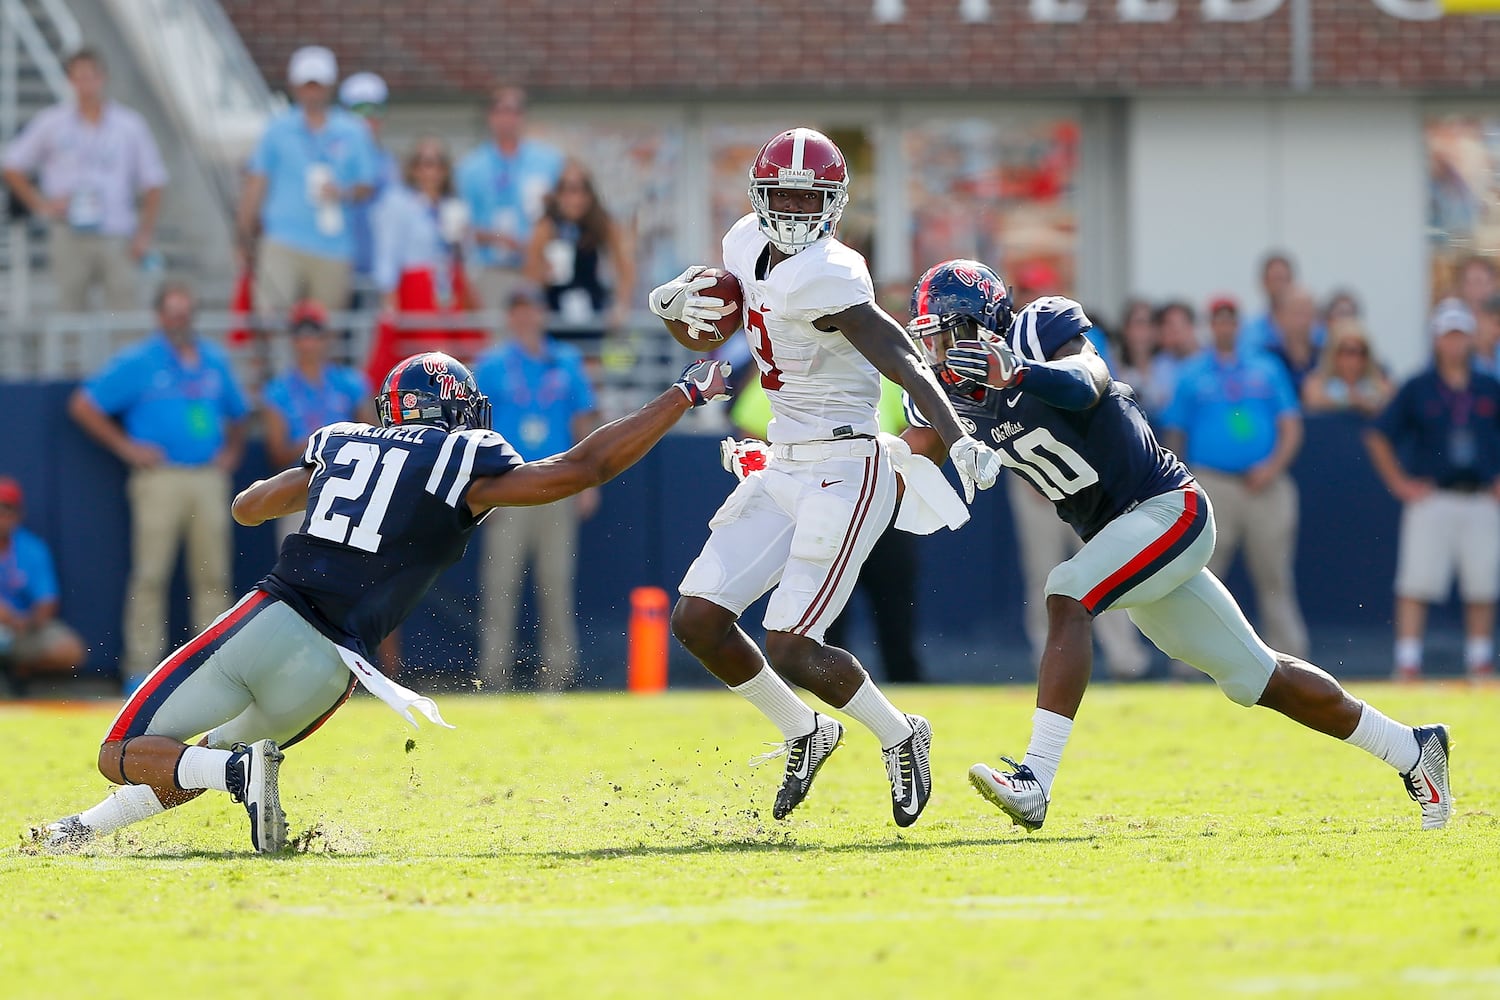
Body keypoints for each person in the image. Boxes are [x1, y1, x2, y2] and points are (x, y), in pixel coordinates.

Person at [31, 351, 734, 853]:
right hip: (337, 670)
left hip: (274, 621)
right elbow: (585, 468)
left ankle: (236, 774)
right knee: (193, 759)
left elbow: (248, 508)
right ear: (451, 412)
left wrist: (319, 471)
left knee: (125, 748)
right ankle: (81, 830)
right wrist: (682, 395)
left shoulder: (339, 438)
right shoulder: (465, 458)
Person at [896, 265, 1451, 833]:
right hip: (1118, 540)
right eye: (928, 339)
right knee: (1256, 678)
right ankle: (1414, 750)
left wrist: (1018, 372)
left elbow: (1089, 379)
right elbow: (910, 455)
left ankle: (1036, 779)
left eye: (943, 335)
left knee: (1065, 590)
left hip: (1167, 509)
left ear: (979, 323)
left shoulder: (1038, 328)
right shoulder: (948, 396)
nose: (936, 352)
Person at [652, 128, 1003, 828]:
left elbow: (903, 357)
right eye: (779, 194)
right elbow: (717, 314)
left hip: (848, 465)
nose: (790, 210)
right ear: (757, 196)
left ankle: (903, 734)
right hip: (784, 458)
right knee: (697, 618)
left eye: (807, 199)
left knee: (790, 644)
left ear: (835, 205)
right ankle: (804, 730)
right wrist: (671, 307)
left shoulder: (834, 271)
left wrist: (958, 436)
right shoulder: (740, 244)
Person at [68, 281, 248, 691]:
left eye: (186, 313)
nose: (180, 321)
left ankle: (213, 669)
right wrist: (126, 447)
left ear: (192, 317)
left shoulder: (212, 360)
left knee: (213, 575)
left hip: (206, 476)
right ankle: (140, 670)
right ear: (160, 317)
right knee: (151, 575)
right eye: (173, 313)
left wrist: (232, 453)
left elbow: (239, 412)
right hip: (160, 478)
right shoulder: (141, 360)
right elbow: (84, 403)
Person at [1160, 296, 1310, 658]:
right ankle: (1195, 657)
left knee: (1274, 574)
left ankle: (1291, 658)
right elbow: (1174, 432)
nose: (1225, 327)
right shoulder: (1193, 372)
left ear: (1239, 325)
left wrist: (1272, 467)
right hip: (1214, 483)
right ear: (1211, 326)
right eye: (1218, 320)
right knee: (1203, 572)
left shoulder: (1267, 367)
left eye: (1231, 320)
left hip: (1266, 482)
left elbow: (1291, 425)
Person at [1364, 299, 1500, 681]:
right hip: (1433, 497)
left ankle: (1480, 661)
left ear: (1469, 339)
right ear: (1437, 339)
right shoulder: (1418, 386)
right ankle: (1407, 663)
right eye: (1448, 335)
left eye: (1460, 335)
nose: (1454, 343)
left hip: (1479, 496)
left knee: (1482, 583)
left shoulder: (1488, 384)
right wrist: (1399, 482)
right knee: (1416, 582)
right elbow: (1378, 434)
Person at [473, 286, 599, 691]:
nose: (527, 319)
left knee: (556, 583)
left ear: (542, 315)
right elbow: (475, 427)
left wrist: (588, 482)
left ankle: (559, 675)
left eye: (532, 310)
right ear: (511, 317)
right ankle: (494, 675)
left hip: (557, 484)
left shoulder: (566, 361)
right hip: (508, 486)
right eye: (520, 311)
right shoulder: (491, 366)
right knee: (499, 584)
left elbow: (583, 420)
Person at [0, 48, 166, 313]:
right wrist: (41, 204)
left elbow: (154, 181)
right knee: (70, 311)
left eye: (91, 77)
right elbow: (12, 164)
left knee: (124, 309)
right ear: (70, 81)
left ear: (103, 78)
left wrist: (144, 234)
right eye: (79, 78)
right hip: (69, 230)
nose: (86, 84)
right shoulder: (52, 122)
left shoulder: (129, 124)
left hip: (116, 229)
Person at [236, 45, 379, 321]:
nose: (312, 92)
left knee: (325, 328)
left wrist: (343, 192)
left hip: (333, 246)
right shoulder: (277, 129)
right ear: (295, 86)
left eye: (318, 85)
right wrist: (243, 237)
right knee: (271, 319)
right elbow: (256, 183)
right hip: (282, 239)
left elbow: (366, 184)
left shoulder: (352, 131)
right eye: (306, 85)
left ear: (329, 87)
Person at [365, 137, 483, 386]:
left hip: (450, 285)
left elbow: (468, 256)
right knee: (431, 356)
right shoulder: (398, 203)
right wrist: (389, 296)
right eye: (424, 163)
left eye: (437, 163)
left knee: (464, 356)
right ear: (414, 168)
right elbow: (388, 253)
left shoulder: (454, 206)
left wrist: (460, 241)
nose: (431, 170)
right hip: (416, 285)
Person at [260, 300, 375, 544]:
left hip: (347, 490)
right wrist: (318, 445)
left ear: (327, 338)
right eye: (302, 334)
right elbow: (277, 454)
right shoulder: (278, 390)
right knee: (295, 567)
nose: (308, 343)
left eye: (315, 334)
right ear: (293, 340)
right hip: (300, 488)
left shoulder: (351, 383)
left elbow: (373, 439)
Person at [456, 86, 564, 318]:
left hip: (537, 267)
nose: (507, 119)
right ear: (490, 116)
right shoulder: (470, 168)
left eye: (514, 111)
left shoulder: (549, 161)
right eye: (501, 111)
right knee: (497, 336)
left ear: (523, 117)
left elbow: (565, 214)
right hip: (493, 268)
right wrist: (499, 238)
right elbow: (460, 226)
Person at [525, 160, 635, 350]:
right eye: (567, 190)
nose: (573, 199)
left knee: (592, 368)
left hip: (592, 310)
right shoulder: (546, 226)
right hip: (555, 313)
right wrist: (544, 274)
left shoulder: (602, 224)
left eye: (580, 190)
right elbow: (530, 276)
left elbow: (625, 268)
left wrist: (620, 307)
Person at [0, 477, 87, 695]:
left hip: (20, 629)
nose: (1, 516)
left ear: (18, 513)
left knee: (70, 650)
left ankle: (17, 672)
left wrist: (27, 623)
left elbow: (47, 601)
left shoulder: (31, 548)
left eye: (7, 509)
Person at [338, 71, 398, 307]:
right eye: (359, 110)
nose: (368, 119)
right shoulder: (331, 159)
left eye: (376, 110)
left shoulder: (390, 164)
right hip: (339, 267)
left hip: (378, 274)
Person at [1301, 319, 1393, 417]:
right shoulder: (1316, 383)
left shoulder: (1379, 384)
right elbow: (1313, 401)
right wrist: (1353, 402)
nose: (1356, 359)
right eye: (1349, 352)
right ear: (1334, 353)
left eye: (1362, 352)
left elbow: (1391, 405)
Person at [1240, 251, 1296, 356]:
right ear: (1264, 282)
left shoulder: (1311, 329)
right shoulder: (1249, 330)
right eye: (1274, 279)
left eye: (1283, 279)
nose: (1279, 286)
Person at [1266, 286, 1321, 392]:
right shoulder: (1267, 358)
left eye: (1308, 313)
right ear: (1280, 317)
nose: (1303, 321)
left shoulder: (1325, 358)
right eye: (1297, 313)